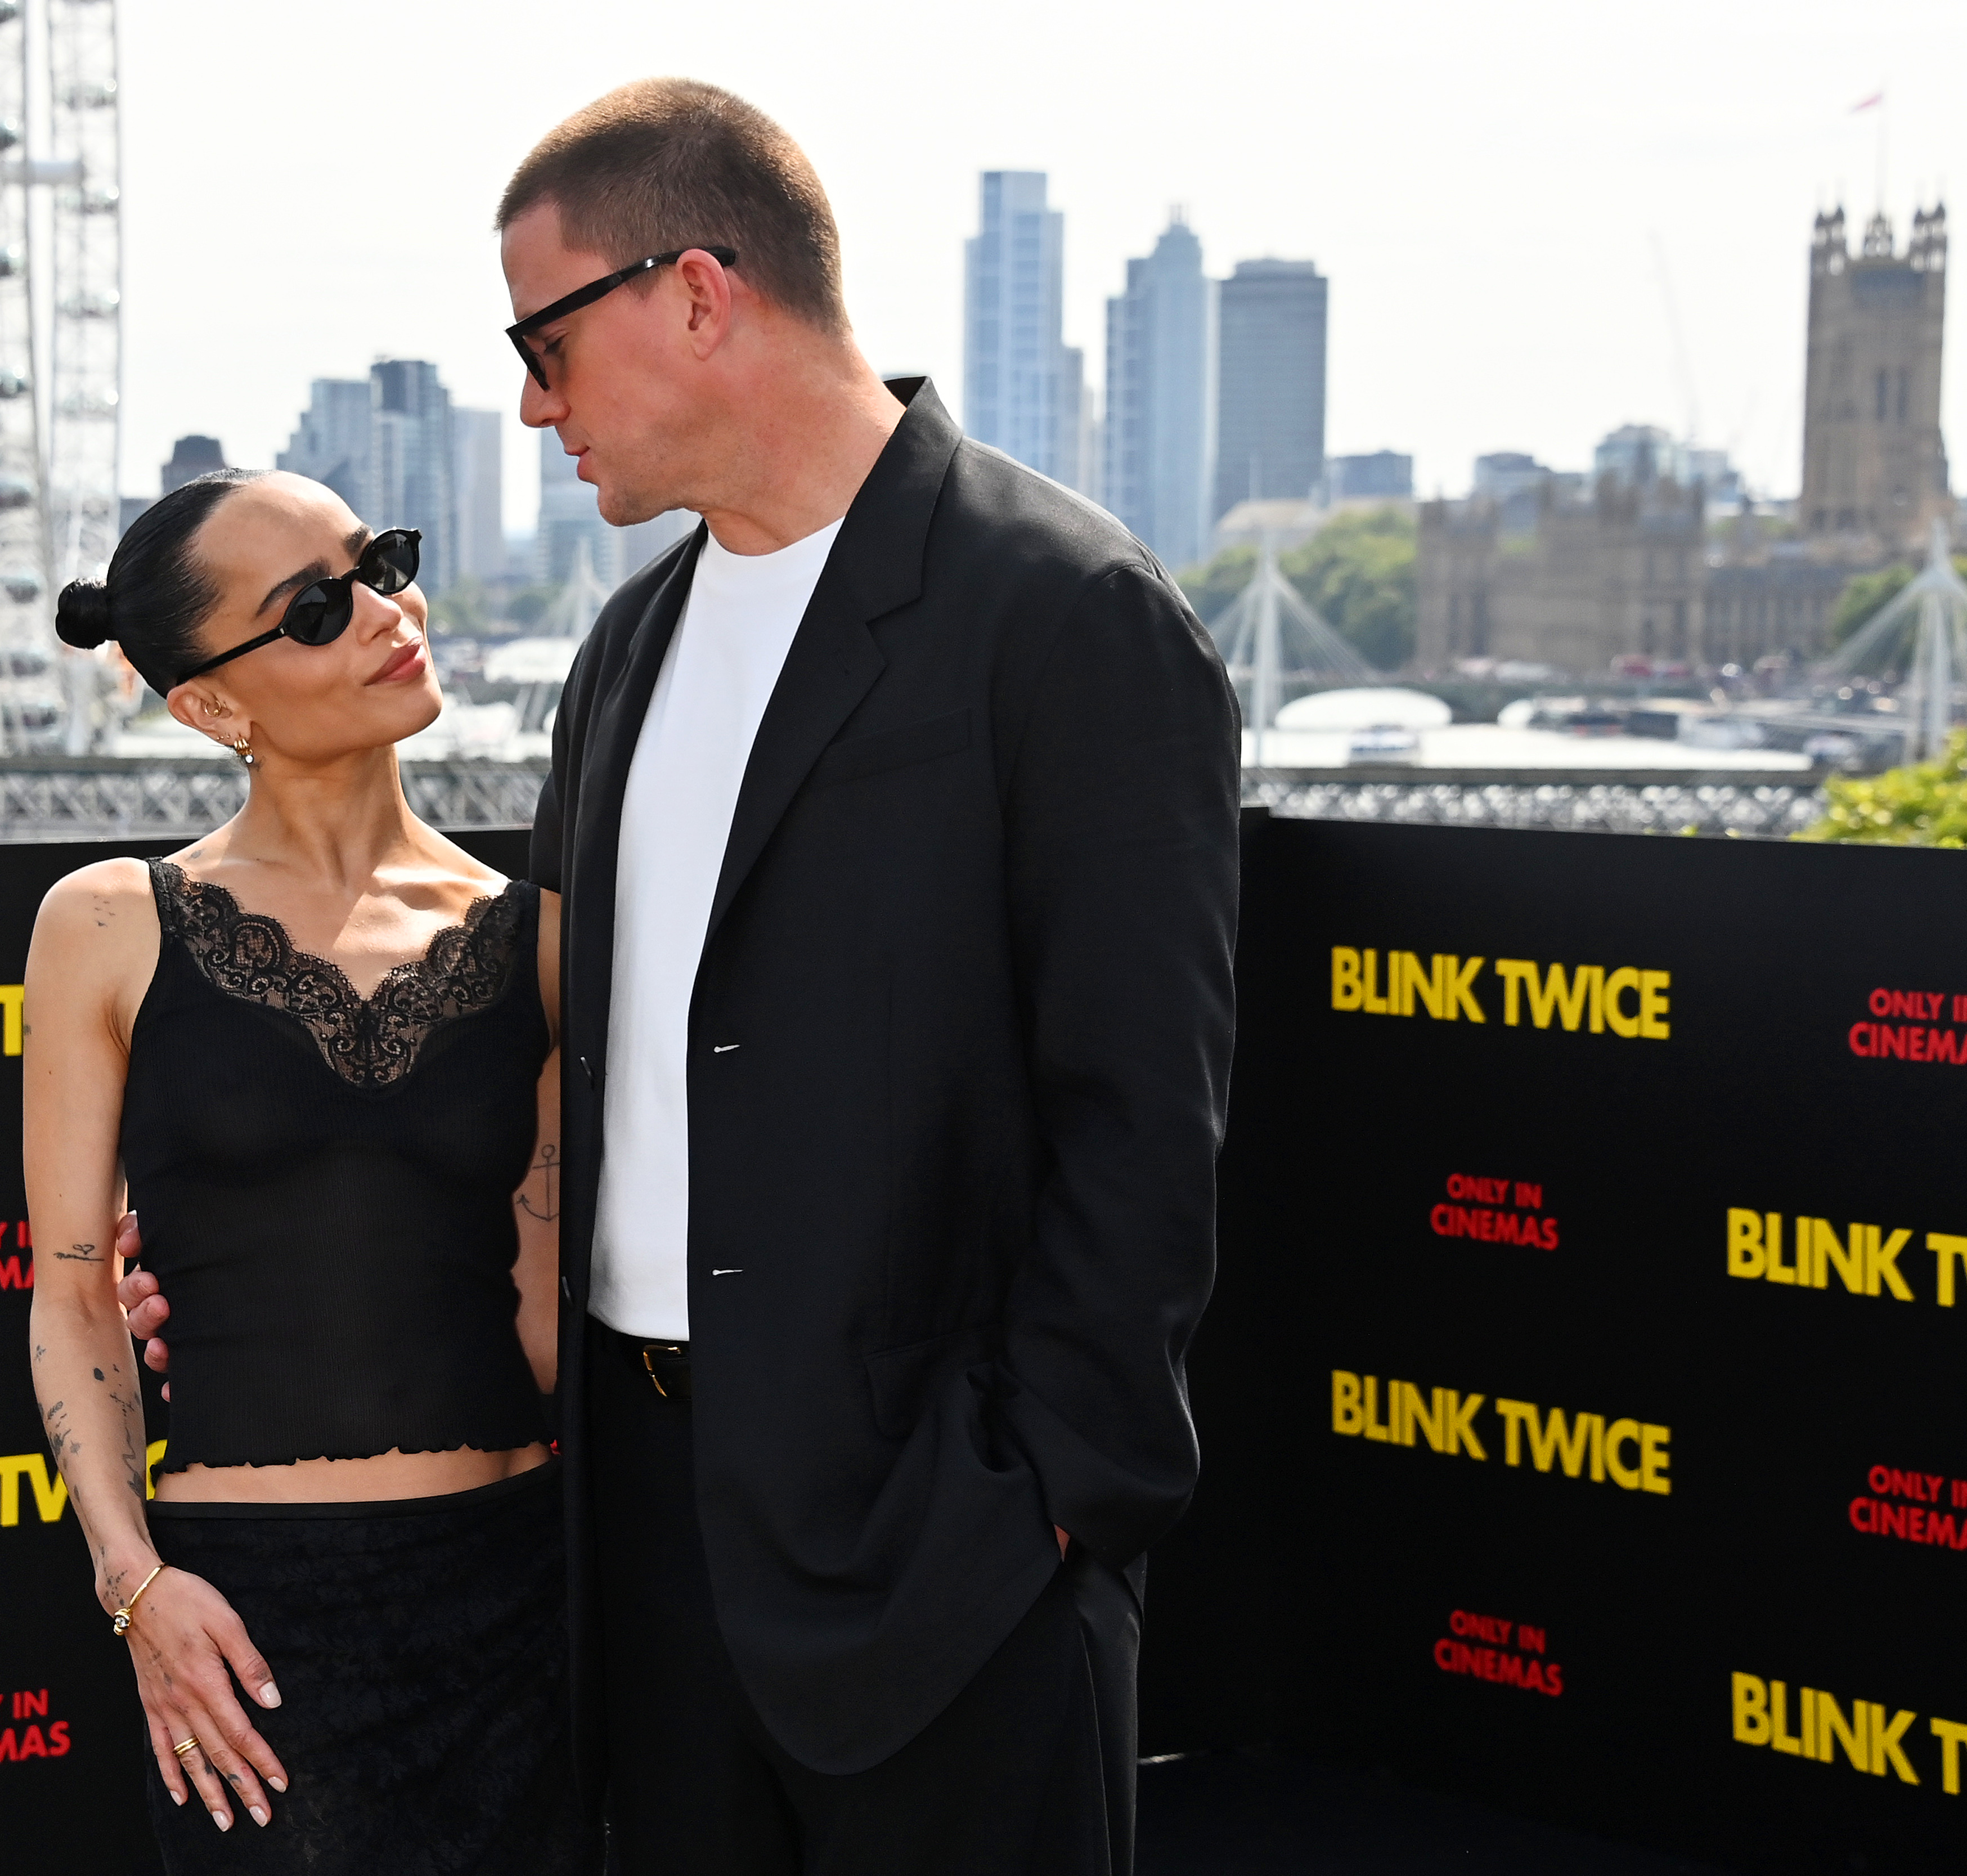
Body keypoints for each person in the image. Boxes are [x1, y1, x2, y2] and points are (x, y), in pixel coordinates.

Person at [130, 77, 1242, 1874]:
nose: (530, 400)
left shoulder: (1066, 617)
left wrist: (1040, 1505)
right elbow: (546, 1054)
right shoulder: (629, 644)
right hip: (637, 1541)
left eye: (547, 340)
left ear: (699, 293)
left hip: (942, 1544)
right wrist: (235, 1231)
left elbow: (1145, 1126)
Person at [21, 467, 587, 1874]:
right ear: (213, 703)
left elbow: (542, 1301)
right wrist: (135, 1582)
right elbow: (76, 1293)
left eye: (381, 563)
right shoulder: (106, 923)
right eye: (320, 609)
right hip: (250, 1624)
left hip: (518, 1605)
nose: (390, 615)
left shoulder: (545, 938)